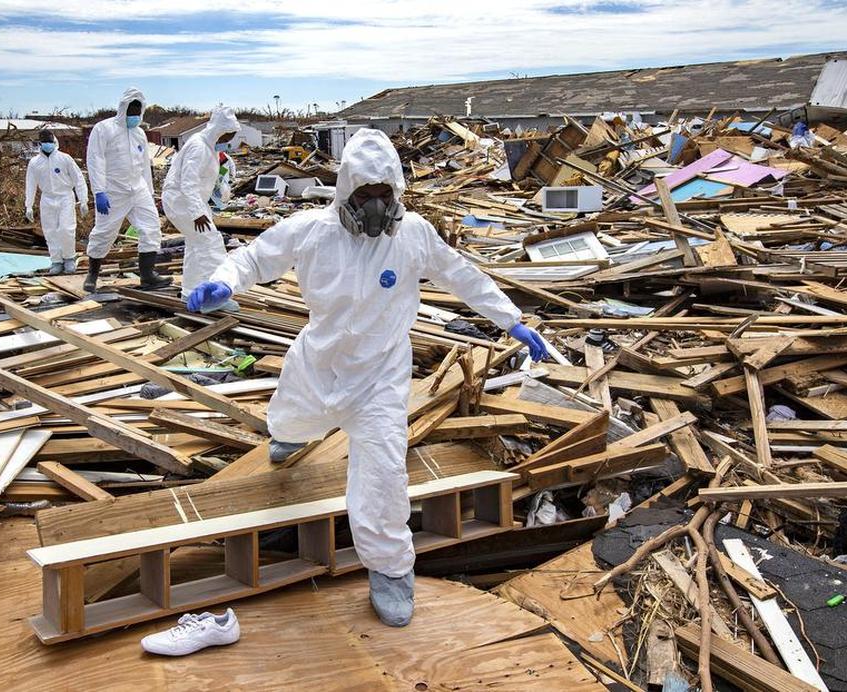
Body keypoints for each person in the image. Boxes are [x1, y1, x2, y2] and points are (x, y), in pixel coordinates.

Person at [186, 129, 548, 628]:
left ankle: (391, 570)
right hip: (319, 362)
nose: (376, 205)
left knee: (382, 476)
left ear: (396, 193)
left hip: (381, 375)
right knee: (290, 418)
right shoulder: (312, 229)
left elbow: (462, 275)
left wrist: (511, 319)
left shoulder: (414, 234)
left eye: (384, 195)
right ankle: (291, 438)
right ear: (345, 193)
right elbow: (255, 257)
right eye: (365, 195)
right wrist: (223, 281)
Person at [84, 87, 170, 292]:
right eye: (130, 112)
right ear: (122, 109)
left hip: (138, 189)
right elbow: (95, 160)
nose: (133, 117)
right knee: (105, 232)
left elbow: (144, 165)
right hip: (113, 191)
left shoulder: (139, 133)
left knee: (151, 228)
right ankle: (92, 275)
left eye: (137, 113)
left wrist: (149, 193)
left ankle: (148, 275)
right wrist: (98, 191)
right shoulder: (104, 129)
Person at [161, 107, 241, 310]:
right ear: (219, 130)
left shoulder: (210, 147)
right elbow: (188, 182)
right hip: (182, 202)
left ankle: (190, 292)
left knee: (196, 245)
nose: (230, 139)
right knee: (210, 242)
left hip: (191, 201)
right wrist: (197, 213)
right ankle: (214, 296)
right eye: (228, 135)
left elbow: (206, 179)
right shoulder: (198, 146)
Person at [25, 129, 89, 274]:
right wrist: (28, 205)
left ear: (54, 142)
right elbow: (30, 183)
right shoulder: (35, 163)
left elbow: (78, 179)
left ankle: (69, 258)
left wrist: (83, 199)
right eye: (45, 142)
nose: (48, 145)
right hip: (47, 199)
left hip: (65, 196)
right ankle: (56, 261)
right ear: (40, 144)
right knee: (50, 232)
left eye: (50, 142)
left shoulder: (65, 159)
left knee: (66, 229)